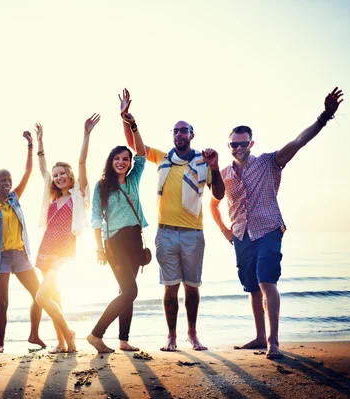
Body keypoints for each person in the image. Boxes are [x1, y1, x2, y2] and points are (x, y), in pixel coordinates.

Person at [210, 87, 344, 360]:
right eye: (233, 144)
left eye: (242, 143)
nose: (238, 148)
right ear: (229, 147)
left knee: (266, 281)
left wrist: (324, 117)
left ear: (251, 144)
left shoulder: (270, 162)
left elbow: (298, 141)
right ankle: (259, 336)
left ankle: (273, 342)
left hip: (269, 230)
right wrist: (225, 231)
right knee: (251, 287)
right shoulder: (223, 173)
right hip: (241, 236)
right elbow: (215, 200)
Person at [120, 88, 225, 352]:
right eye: (175, 131)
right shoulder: (163, 158)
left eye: (184, 130)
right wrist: (128, 120)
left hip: (193, 234)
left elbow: (220, 194)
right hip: (166, 233)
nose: (179, 134)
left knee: (192, 288)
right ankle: (171, 337)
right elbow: (136, 146)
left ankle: (192, 334)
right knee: (169, 289)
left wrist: (214, 167)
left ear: (192, 135)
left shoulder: (204, 161)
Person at [34, 115, 100, 353]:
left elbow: (82, 162)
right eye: (56, 175)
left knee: (42, 298)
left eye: (63, 173)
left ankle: (70, 334)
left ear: (70, 176)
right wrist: (40, 143)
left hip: (64, 252)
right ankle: (62, 343)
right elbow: (42, 169)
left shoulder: (78, 196)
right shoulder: (52, 197)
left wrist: (86, 134)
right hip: (46, 249)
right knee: (55, 298)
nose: (59, 177)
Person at [0, 132, 45, 353]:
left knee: (40, 294)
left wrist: (30, 145)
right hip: (1, 258)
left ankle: (34, 335)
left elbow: (28, 172)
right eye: (2, 180)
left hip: (20, 255)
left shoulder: (15, 197)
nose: (7, 183)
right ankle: (0, 343)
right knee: (2, 303)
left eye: (9, 180)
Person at [86, 111, 147, 354]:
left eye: (125, 159)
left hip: (134, 239)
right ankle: (95, 334)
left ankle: (123, 340)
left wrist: (132, 124)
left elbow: (142, 154)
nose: (122, 162)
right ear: (111, 161)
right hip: (115, 243)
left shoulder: (132, 181)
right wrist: (99, 247)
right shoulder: (103, 186)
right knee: (130, 291)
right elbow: (94, 219)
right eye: (117, 158)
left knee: (127, 292)